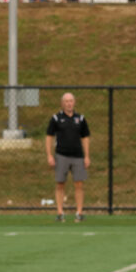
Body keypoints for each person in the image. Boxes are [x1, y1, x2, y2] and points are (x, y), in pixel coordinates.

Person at [45, 92, 90, 222]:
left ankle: (79, 212)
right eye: (66, 101)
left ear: (74, 102)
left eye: (71, 101)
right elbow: (49, 137)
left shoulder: (80, 119)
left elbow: (85, 137)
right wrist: (49, 155)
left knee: (79, 184)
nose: (69, 103)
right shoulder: (56, 118)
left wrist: (86, 156)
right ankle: (60, 212)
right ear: (62, 103)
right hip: (61, 155)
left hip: (78, 156)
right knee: (60, 184)